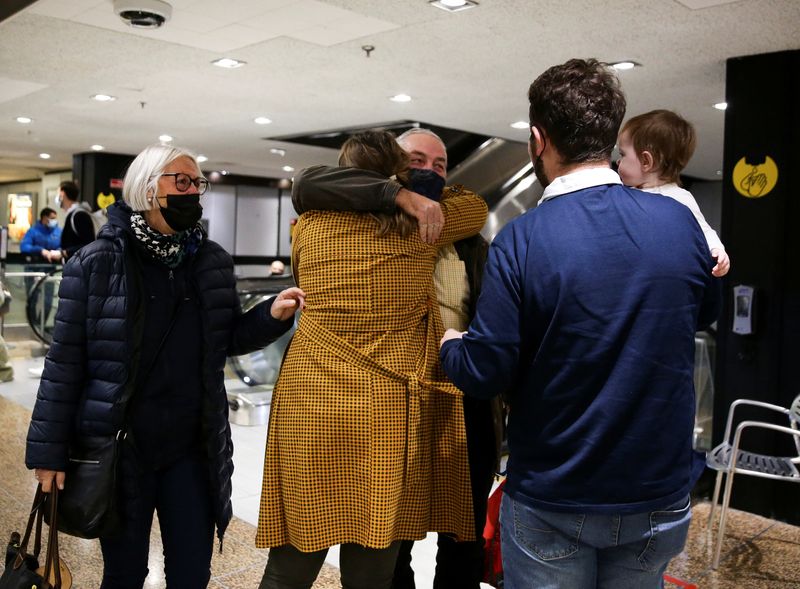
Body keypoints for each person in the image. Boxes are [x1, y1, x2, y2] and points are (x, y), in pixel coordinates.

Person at [438, 58, 721, 588]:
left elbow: (485, 371)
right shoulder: (681, 222)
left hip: (555, 492)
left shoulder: (521, 240)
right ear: (610, 138)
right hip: (658, 491)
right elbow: (705, 311)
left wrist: (452, 342)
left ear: (537, 140)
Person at [25, 144, 305, 589]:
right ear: (147, 187)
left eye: (198, 183)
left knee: (192, 573)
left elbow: (226, 337)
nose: (193, 191)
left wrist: (269, 317)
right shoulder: (98, 262)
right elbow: (65, 362)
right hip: (122, 448)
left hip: (192, 448)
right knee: (124, 572)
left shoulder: (210, 260)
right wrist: (48, 454)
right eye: (182, 181)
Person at [256, 130, 488, 589]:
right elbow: (475, 206)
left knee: (292, 561)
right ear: (397, 173)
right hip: (384, 411)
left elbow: (307, 188)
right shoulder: (425, 230)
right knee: (373, 555)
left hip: (310, 404)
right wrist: (413, 197)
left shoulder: (306, 229)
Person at [617, 109, 730, 277]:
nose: (618, 161)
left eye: (622, 154)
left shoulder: (679, 198)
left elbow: (703, 230)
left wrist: (717, 250)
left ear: (646, 161)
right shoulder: (621, 192)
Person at [20, 207, 62, 327]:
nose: (55, 221)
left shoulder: (58, 231)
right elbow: (24, 247)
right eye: (52, 218)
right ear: (44, 218)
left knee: (48, 300)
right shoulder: (33, 231)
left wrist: (57, 252)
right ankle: (33, 324)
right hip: (32, 269)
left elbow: (63, 246)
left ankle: (40, 326)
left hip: (49, 270)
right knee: (32, 298)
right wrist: (40, 250)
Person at [52, 180, 96, 261]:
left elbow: (89, 244)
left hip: (80, 268)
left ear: (63, 194)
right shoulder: (74, 214)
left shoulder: (79, 215)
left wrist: (64, 253)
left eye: (58, 193)